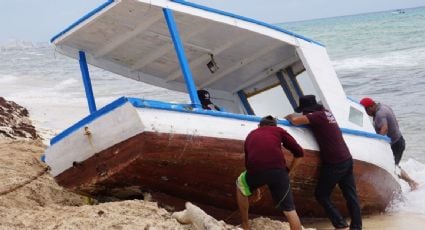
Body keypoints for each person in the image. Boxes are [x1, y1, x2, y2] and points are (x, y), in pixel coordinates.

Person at [285, 95, 362, 230]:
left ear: (308, 109)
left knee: (321, 194)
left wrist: (289, 117)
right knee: (351, 195)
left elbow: (296, 121)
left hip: (335, 162)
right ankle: (356, 227)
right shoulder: (326, 114)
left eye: (303, 110)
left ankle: (340, 224)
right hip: (346, 158)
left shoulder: (317, 116)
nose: (303, 113)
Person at [236, 115, 304, 230]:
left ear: (259, 126)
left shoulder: (251, 134)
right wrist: (289, 172)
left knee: (240, 183)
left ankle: (245, 225)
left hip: (255, 172)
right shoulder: (279, 130)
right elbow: (299, 153)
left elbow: (249, 164)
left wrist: (254, 186)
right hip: (278, 172)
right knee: (289, 210)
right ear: (275, 125)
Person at [360, 97, 419, 190]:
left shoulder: (380, 114)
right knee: (392, 166)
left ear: (370, 107)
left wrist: (377, 142)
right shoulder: (384, 107)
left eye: (366, 111)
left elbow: (385, 128)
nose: (367, 114)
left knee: (393, 168)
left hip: (396, 144)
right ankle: (410, 183)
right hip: (398, 141)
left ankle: (412, 183)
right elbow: (395, 122)